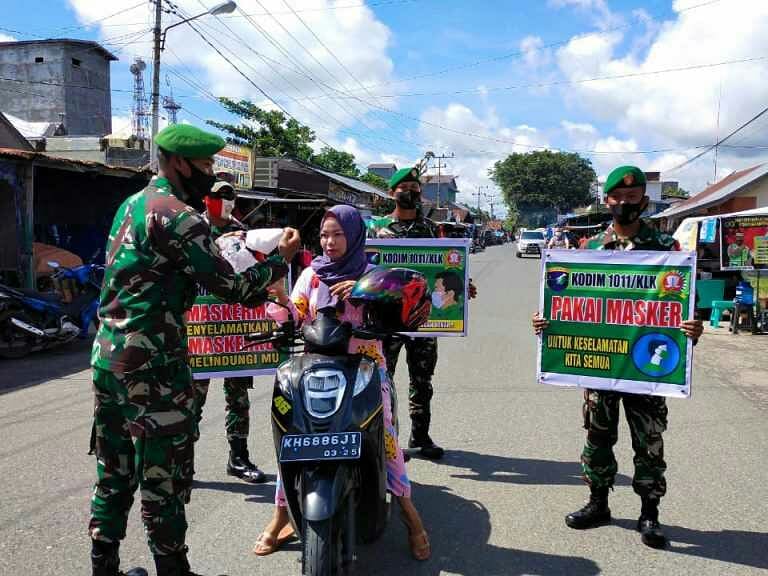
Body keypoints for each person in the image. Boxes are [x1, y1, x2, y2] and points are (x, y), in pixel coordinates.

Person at [88, 124, 300, 576]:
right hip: (155, 365)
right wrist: (281, 260)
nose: (210, 174)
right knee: (164, 477)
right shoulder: (180, 216)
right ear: (180, 163)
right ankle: (173, 570)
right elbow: (230, 286)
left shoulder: (130, 205)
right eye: (205, 166)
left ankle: (102, 565)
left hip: (108, 359)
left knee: (114, 469)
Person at [532, 165, 703, 549]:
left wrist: (693, 328)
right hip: (599, 367)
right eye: (618, 197)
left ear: (644, 200)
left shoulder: (667, 252)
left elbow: (681, 310)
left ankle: (649, 513)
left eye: (633, 197)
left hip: (646, 369)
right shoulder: (587, 250)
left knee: (648, 442)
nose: (626, 203)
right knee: (597, 437)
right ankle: (598, 503)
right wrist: (547, 322)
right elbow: (568, 305)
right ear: (606, 200)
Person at [254, 205, 431, 560]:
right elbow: (297, 315)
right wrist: (279, 301)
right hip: (313, 369)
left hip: (364, 369)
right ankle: (280, 516)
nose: (329, 242)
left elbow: (396, 314)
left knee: (387, 440)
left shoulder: (371, 273)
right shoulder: (311, 275)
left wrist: (364, 295)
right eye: (323, 235)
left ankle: (411, 519)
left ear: (353, 236)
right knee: (292, 436)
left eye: (337, 234)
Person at [377, 167, 477, 460]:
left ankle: (420, 436)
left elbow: (445, 269)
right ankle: (387, 437)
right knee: (384, 380)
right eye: (404, 186)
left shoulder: (433, 230)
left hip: (423, 317)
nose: (411, 191)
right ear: (391, 193)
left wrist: (462, 284)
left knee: (422, 380)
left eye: (415, 187)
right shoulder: (377, 230)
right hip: (389, 318)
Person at [192, 180, 266, 484]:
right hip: (200, 328)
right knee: (192, 398)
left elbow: (255, 275)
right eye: (217, 195)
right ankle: (182, 462)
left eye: (229, 196)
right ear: (205, 198)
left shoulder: (244, 233)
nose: (224, 201)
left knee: (238, 398)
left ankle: (238, 458)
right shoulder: (192, 229)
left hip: (235, 327)